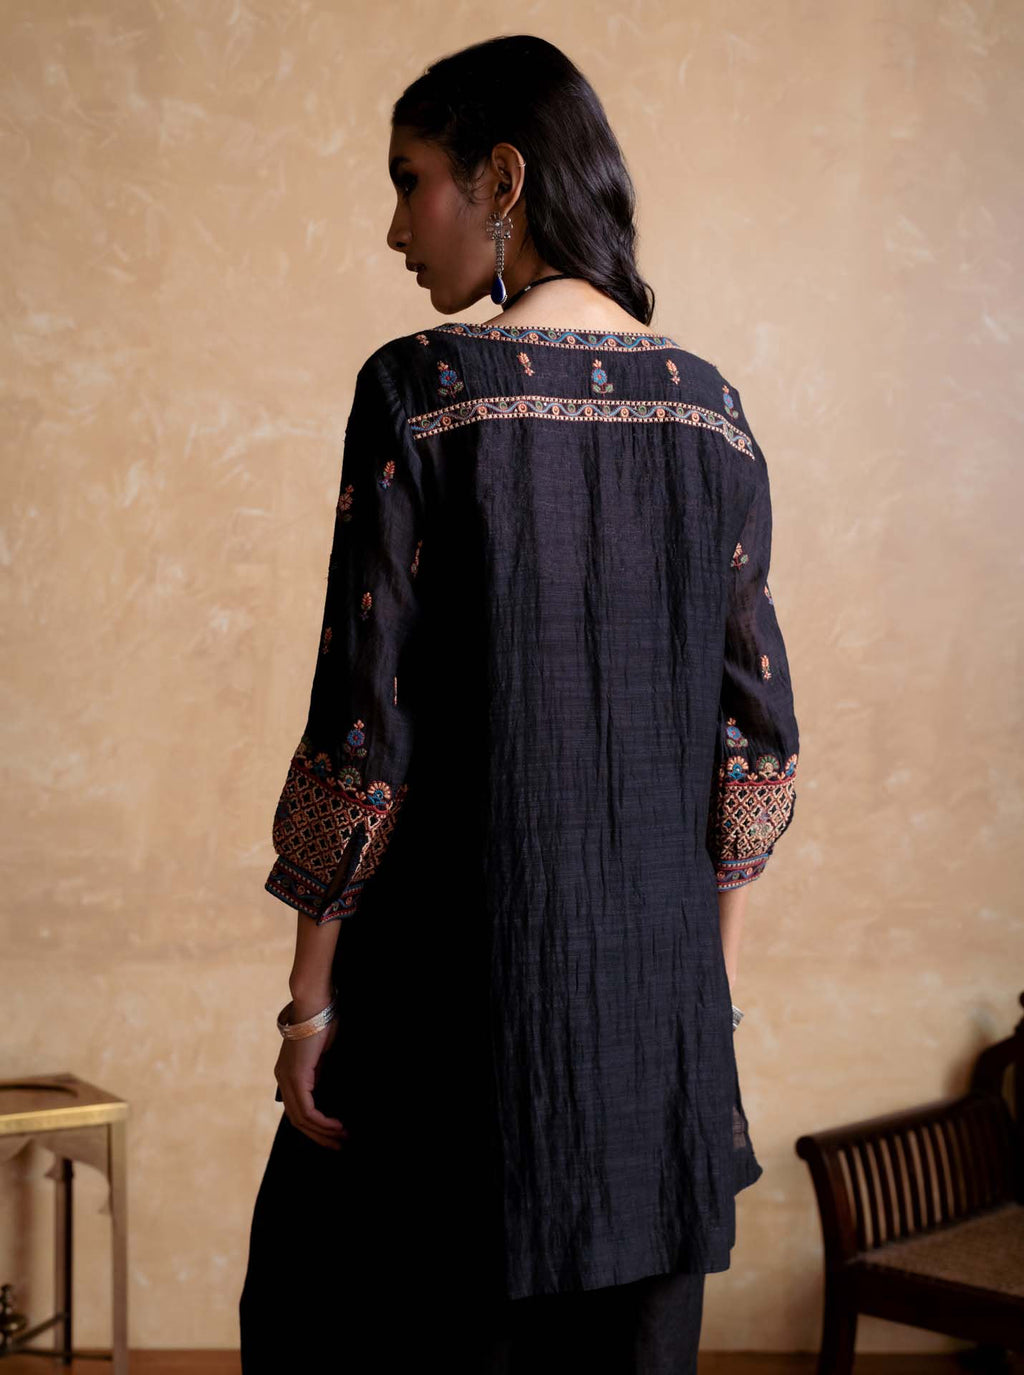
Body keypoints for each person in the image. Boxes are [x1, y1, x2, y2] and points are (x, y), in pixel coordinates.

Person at [238, 33, 799, 1375]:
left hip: (452, 1007)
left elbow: (361, 736)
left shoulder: (424, 390)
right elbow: (757, 748)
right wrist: (702, 1001)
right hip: (657, 1030)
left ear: (501, 177)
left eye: (411, 180)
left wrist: (309, 1006)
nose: (395, 226)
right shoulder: (715, 413)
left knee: (359, 1330)